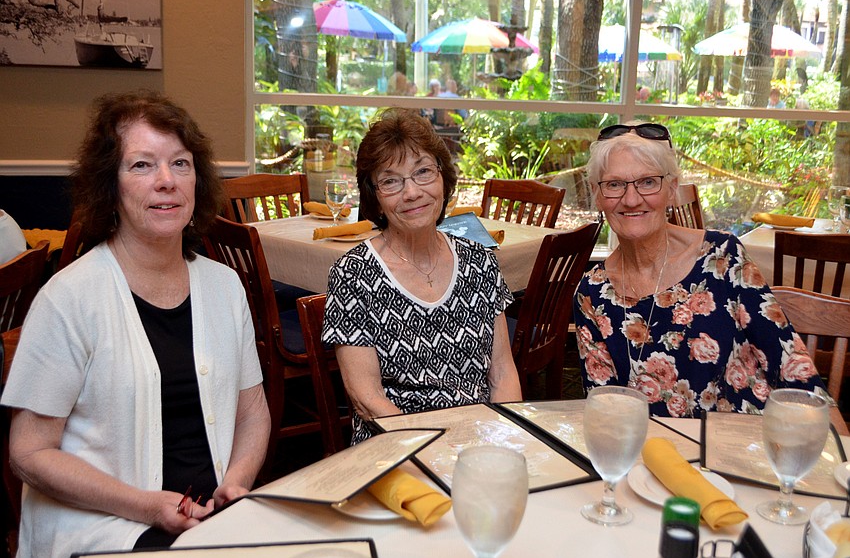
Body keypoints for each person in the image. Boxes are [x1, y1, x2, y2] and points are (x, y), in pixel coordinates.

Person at [1, 90, 270, 557]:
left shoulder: (226, 286)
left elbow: (252, 411)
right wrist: (147, 506)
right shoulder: (68, 299)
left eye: (180, 164)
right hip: (103, 526)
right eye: (142, 165)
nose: (167, 181)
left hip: (211, 519)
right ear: (110, 186)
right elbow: (29, 453)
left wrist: (237, 483)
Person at [573, 121, 840, 424]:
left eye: (648, 182)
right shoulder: (591, 292)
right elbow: (604, 412)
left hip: (741, 449)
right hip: (650, 455)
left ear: (672, 189)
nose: (631, 199)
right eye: (614, 184)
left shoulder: (722, 258)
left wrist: (838, 452)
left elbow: (793, 367)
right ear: (596, 195)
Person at [321, 108, 522, 444]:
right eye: (391, 181)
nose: (411, 192)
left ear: (443, 179)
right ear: (375, 197)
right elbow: (366, 399)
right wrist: (434, 450)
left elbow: (502, 374)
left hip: (479, 443)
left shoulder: (480, 261)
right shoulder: (353, 272)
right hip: (396, 447)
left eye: (423, 172)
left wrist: (505, 441)